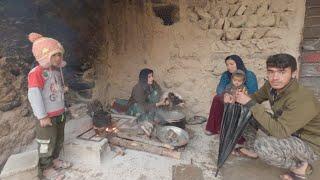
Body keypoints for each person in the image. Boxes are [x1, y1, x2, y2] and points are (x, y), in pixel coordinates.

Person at [233, 53, 320, 180]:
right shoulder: (270, 86)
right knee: (245, 111)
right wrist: (237, 97)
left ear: (294, 73)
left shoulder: (302, 98)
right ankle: (251, 149)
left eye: (282, 72)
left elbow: (280, 132)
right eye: (271, 72)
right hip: (286, 129)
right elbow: (255, 98)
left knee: (263, 146)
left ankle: (300, 166)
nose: (275, 77)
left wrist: (249, 103)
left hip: (308, 142)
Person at [27, 33, 71, 180]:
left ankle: (55, 159)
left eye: (59, 54)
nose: (58, 58)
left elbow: (53, 88)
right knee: (46, 142)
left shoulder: (57, 70)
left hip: (59, 113)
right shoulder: (37, 72)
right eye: (54, 55)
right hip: (47, 116)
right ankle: (45, 168)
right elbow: (35, 95)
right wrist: (42, 116)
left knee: (58, 138)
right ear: (43, 55)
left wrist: (62, 90)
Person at [205, 55, 258, 135]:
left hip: (243, 98)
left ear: (238, 63)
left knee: (239, 105)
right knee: (217, 98)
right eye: (227, 65)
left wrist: (240, 95)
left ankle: (238, 133)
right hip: (229, 96)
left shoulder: (249, 75)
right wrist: (226, 94)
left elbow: (253, 92)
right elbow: (220, 89)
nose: (229, 67)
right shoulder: (226, 75)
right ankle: (214, 128)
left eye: (231, 64)